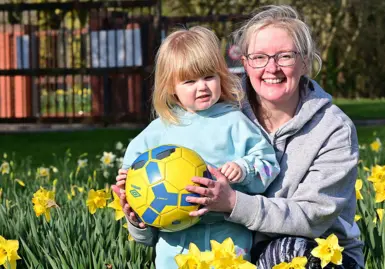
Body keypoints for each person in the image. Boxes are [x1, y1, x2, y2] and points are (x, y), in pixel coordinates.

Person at [116, 5, 364, 268]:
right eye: (259, 57)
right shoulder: (225, 108)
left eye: (285, 56)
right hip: (218, 248)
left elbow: (313, 217)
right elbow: (144, 209)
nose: (272, 67)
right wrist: (135, 210)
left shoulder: (333, 129)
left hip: (313, 247)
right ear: (244, 63)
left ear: (305, 61)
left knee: (290, 253)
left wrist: (233, 201)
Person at [115, 26, 280, 268]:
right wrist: (128, 186)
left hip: (228, 239)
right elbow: (134, 175)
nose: (201, 87)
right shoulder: (157, 132)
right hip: (174, 246)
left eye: (208, 77)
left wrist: (244, 169)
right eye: (189, 81)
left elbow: (268, 164)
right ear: (171, 86)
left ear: (220, 75)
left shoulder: (234, 122)